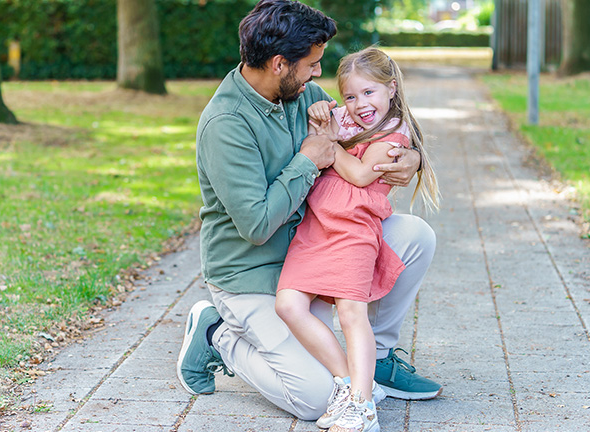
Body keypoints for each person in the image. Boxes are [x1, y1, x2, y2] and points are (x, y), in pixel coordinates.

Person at [176, 0, 441, 422]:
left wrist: (411, 159)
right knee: (319, 398)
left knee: (415, 237)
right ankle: (218, 334)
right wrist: (308, 159)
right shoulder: (226, 124)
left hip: (314, 253)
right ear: (280, 64)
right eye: (312, 64)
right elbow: (257, 225)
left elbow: (373, 126)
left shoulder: (304, 96)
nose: (319, 74)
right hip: (254, 275)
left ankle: (381, 357)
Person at [275, 47, 440, 431]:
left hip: (353, 227)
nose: (359, 104)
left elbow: (364, 175)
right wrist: (322, 114)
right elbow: (323, 116)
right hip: (316, 226)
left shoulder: (394, 131)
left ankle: (362, 407)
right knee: (288, 304)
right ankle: (351, 383)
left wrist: (329, 147)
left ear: (391, 89)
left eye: (369, 93)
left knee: (352, 313)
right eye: (351, 95)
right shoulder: (346, 117)